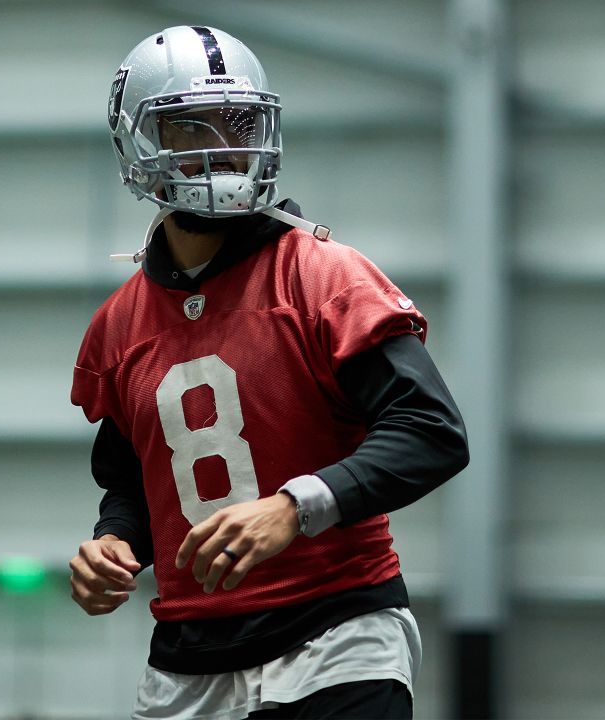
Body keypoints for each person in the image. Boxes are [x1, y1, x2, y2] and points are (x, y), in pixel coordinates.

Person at [69, 25, 469, 720]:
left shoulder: (321, 273)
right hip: (189, 656)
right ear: (140, 142)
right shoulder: (119, 323)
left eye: (239, 122)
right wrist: (114, 544)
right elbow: (134, 479)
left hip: (336, 635)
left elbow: (431, 430)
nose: (222, 147)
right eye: (190, 128)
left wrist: (296, 507)